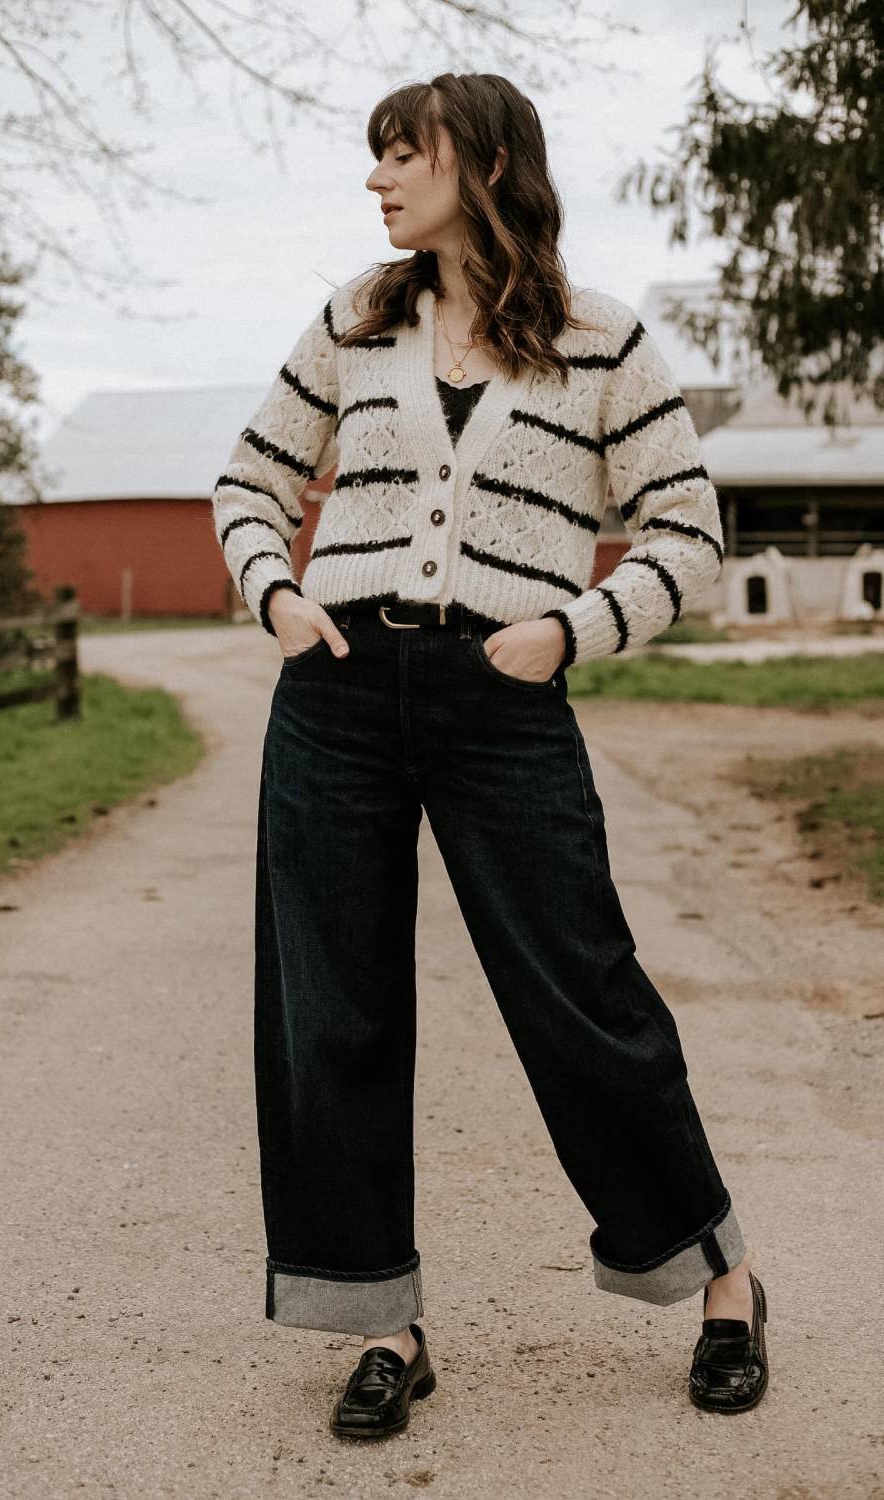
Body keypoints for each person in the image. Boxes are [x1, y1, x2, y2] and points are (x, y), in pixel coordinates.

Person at [212, 72, 770, 1439]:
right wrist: (279, 598)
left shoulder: (603, 341)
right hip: (336, 695)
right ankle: (380, 1321)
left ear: (486, 159)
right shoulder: (356, 318)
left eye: (405, 153)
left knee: (582, 994)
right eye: (376, 156)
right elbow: (250, 480)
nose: (378, 179)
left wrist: (573, 632)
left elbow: (690, 534)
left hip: (505, 694)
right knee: (329, 1010)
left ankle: (723, 1281)